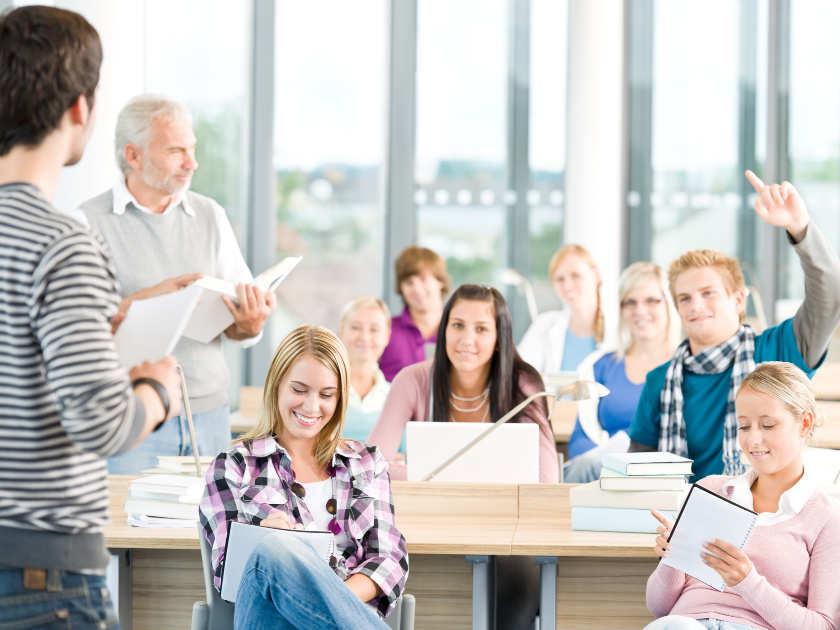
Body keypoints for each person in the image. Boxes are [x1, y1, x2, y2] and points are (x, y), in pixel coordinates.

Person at [0, 7, 182, 629]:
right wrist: (157, 388)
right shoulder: (63, 243)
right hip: (40, 578)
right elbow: (103, 423)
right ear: (82, 107)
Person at [77, 94, 276, 474]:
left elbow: (239, 323)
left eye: (193, 149)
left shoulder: (210, 214)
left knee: (211, 533)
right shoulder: (87, 223)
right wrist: (143, 300)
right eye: (175, 151)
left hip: (210, 417)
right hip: (132, 417)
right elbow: (78, 332)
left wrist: (250, 323)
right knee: (128, 532)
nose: (192, 163)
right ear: (133, 155)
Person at [368, 284, 556, 630]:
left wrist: (432, 476)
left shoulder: (523, 383)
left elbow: (546, 481)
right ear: (443, 329)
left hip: (505, 528)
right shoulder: (414, 380)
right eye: (457, 325)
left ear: (500, 337)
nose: (466, 339)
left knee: (519, 576)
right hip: (429, 525)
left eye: (481, 329)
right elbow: (370, 467)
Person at [629, 171, 840, 480]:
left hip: (768, 516)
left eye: (708, 293)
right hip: (683, 517)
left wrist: (800, 227)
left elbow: (830, 295)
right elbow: (636, 475)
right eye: (684, 298)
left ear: (739, 300)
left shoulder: (777, 351)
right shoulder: (659, 382)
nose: (696, 305)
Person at [199, 325, 407, 628]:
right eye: (299, 390)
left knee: (277, 549)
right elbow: (227, 574)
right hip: (271, 620)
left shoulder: (366, 463)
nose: (311, 406)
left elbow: (389, 562)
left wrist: (325, 603)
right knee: (271, 549)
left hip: (351, 615)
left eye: (326, 394)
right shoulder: (233, 466)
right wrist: (266, 546)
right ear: (277, 385)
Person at [644, 361, 840, 630]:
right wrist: (673, 558)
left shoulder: (826, 519)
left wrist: (748, 582)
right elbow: (659, 608)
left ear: (804, 424)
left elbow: (825, 626)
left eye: (768, 426)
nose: (753, 441)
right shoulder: (712, 490)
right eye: (745, 427)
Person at [563, 261, 679, 483]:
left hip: (662, 476)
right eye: (630, 302)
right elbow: (580, 438)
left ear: (669, 303)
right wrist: (617, 463)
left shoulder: (687, 365)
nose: (640, 311)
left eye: (651, 301)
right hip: (603, 473)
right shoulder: (601, 366)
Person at [518, 244, 617, 374]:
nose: (568, 286)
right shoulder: (545, 324)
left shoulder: (619, 328)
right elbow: (520, 375)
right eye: (559, 279)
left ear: (596, 276)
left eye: (575, 275)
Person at [337, 296, 405, 455]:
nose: (364, 337)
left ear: (387, 336)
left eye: (374, 329)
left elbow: (406, 459)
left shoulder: (398, 397)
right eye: (355, 327)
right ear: (342, 331)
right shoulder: (322, 392)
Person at [378, 245, 450, 382]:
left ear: (440, 281)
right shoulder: (384, 329)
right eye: (408, 282)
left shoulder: (459, 330)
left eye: (424, 279)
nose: (417, 289)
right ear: (401, 287)